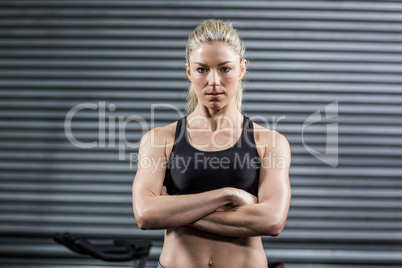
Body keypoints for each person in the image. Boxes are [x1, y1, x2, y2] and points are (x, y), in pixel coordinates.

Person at [132, 19, 291, 268]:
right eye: (202, 69)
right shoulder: (160, 139)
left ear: (242, 69)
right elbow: (145, 214)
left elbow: (272, 221)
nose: (213, 81)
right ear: (188, 72)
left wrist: (173, 209)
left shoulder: (269, 142)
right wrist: (228, 195)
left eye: (224, 69)